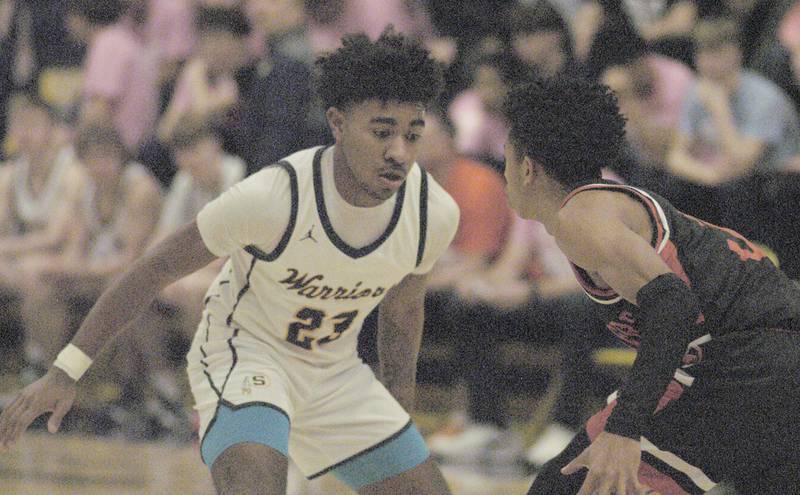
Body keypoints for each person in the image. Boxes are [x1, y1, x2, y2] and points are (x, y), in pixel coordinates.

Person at [0, 29, 458, 495]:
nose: (399, 152)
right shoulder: (273, 197)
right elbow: (151, 269)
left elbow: (402, 312)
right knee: (256, 480)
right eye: (382, 132)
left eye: (412, 135)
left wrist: (398, 412)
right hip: (244, 355)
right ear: (337, 123)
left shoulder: (432, 213)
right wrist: (65, 372)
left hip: (335, 372)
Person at [500, 76, 800, 495]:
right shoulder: (610, 206)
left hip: (750, 362)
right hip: (765, 361)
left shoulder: (581, 216)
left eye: (506, 160)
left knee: (564, 487)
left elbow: (674, 307)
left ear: (526, 167)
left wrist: (624, 429)